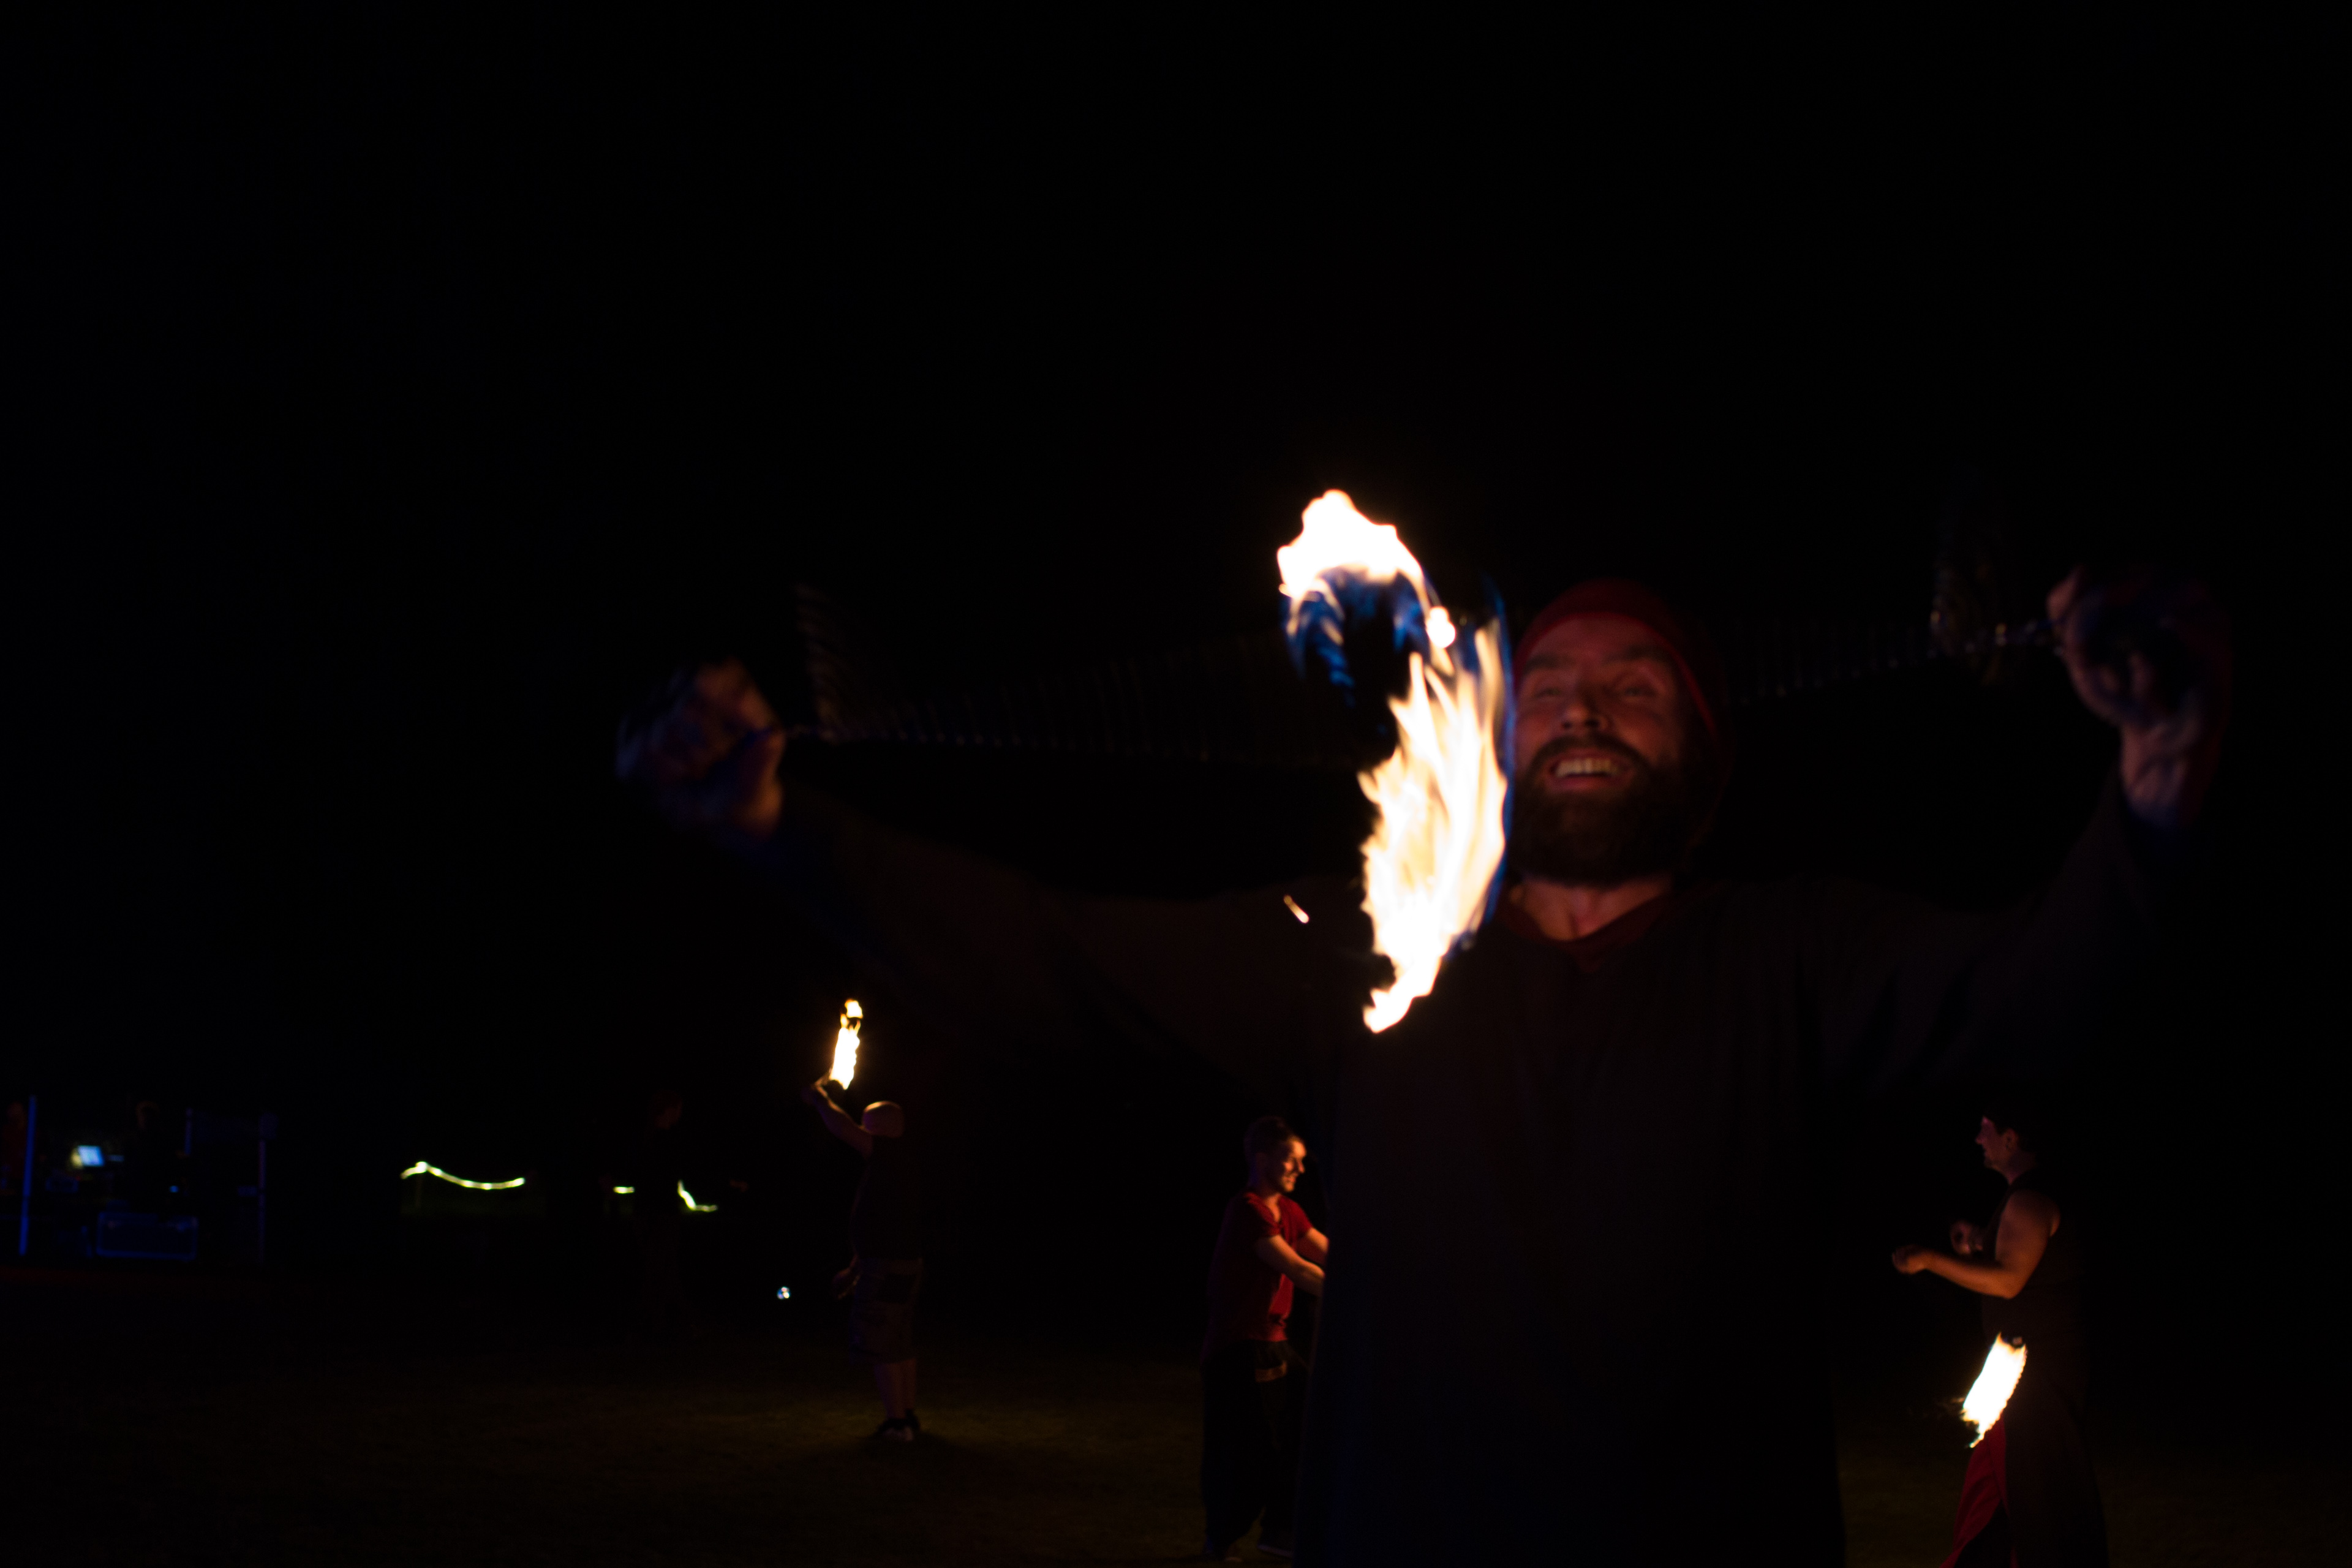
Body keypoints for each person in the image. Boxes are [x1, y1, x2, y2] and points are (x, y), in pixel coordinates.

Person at [617, 563, 2226, 1562]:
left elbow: (2037, 987)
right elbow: (1055, 955)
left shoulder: (1790, 953)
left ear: (1706, 752)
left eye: (1639, 686)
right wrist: (777, 828)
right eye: (1552, 687)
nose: (1586, 707)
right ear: (1493, 744)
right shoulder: (1368, 946)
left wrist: (2156, 780)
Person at [1894, 1106, 2106, 1567]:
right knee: (2000, 1487)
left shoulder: (2030, 1200)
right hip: (2016, 1369)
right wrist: (1978, 1241)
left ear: (2011, 1138)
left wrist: (1930, 1260)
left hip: (2034, 1374)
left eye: (1986, 1130)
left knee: (2033, 1491)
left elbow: (2009, 1280)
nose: (1978, 1139)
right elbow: (2016, 1257)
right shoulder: (2025, 1196)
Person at [1200, 1115, 1329, 1562]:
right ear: (1262, 1159)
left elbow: (1326, 1251)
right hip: (1241, 1347)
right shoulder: (1248, 1210)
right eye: (1291, 1160)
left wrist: (1375, 1264)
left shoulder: (1289, 1210)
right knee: (1250, 1446)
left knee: (1309, 1422)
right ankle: (1227, 1535)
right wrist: (1357, 1294)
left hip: (1271, 1342)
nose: (1300, 1169)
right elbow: (1297, 1267)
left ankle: (1279, 1528)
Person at [801, 1077, 923, 1441]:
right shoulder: (901, 1161)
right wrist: (855, 1269)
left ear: (881, 1129)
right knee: (898, 1342)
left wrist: (819, 1098)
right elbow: (881, 1224)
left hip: (888, 1267)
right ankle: (907, 1417)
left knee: (879, 1340)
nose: (862, 1132)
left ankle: (897, 1424)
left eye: (867, 1126)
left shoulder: (889, 1153)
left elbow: (842, 1127)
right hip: (901, 1263)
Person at [628, 1088, 693, 1341]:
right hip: (662, 1214)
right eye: (679, 1109)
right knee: (661, 1271)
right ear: (671, 1110)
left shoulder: (644, 1140)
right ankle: (654, 1326)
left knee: (660, 1269)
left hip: (644, 1212)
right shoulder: (666, 1142)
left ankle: (665, 1324)